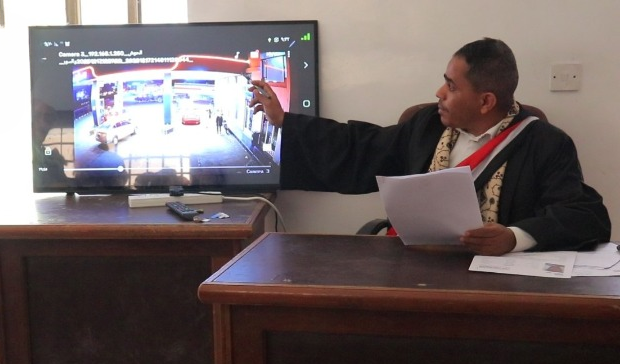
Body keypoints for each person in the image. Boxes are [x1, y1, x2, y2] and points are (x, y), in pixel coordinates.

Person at [249, 37, 611, 256]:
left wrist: (514, 238)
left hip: (497, 285)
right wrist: (287, 122)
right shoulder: (427, 126)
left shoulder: (545, 143)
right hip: (419, 266)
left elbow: (585, 216)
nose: (439, 93)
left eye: (451, 86)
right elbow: (360, 147)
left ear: (485, 101)